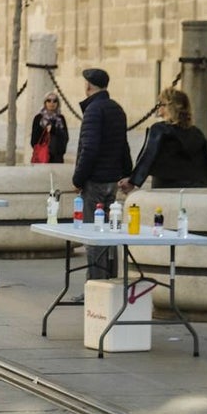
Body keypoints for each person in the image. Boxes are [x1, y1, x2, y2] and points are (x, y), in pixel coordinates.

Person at [72, 68, 131, 280]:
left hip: (95, 181)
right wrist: (127, 173)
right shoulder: (117, 109)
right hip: (112, 180)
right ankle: (110, 283)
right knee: (110, 234)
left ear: (88, 86)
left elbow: (89, 148)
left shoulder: (93, 110)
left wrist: (78, 179)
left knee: (94, 237)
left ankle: (95, 286)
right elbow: (123, 146)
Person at [120, 87, 207, 192]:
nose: (157, 107)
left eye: (160, 103)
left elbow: (149, 155)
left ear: (169, 107)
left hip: (167, 185)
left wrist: (133, 181)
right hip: (197, 185)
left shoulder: (160, 129)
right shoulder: (197, 132)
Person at [30, 90, 69, 164]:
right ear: (45, 103)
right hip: (42, 157)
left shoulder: (60, 118)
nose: (52, 103)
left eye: (55, 101)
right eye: (49, 100)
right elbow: (34, 140)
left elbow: (65, 137)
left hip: (57, 157)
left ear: (58, 103)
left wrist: (54, 130)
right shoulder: (39, 118)